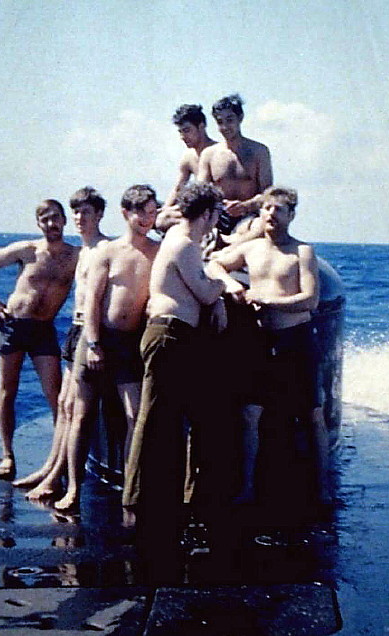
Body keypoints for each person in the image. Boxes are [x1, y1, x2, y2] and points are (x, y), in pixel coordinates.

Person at [206, 186, 330, 504]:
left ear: (291, 215)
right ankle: (247, 487)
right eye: (266, 209)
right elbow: (214, 264)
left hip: (297, 342)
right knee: (251, 413)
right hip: (262, 342)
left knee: (312, 414)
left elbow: (310, 300)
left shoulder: (303, 252)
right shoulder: (251, 249)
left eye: (279, 210)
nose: (271, 214)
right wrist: (232, 284)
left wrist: (268, 300)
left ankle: (322, 489)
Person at [122, 182, 227, 547]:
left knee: (171, 422)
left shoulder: (183, 244)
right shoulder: (183, 244)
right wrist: (222, 288)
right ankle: (134, 501)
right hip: (168, 336)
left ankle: (169, 498)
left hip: (180, 337)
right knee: (152, 420)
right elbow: (206, 291)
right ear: (209, 214)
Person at [50, 184, 160, 512]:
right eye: (140, 212)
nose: (146, 219)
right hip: (98, 340)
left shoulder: (157, 251)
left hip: (131, 344)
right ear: (126, 213)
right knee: (81, 416)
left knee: (135, 415)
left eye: (152, 213)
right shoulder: (106, 252)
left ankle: (131, 484)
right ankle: (73, 489)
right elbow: (93, 302)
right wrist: (95, 344)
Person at [13, 187, 110, 497]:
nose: (80, 218)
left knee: (76, 409)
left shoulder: (104, 249)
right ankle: (51, 467)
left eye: (87, 213)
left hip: (91, 332)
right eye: (77, 213)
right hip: (74, 329)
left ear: (99, 215)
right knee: (64, 404)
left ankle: (59, 479)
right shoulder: (81, 251)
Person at [0, 200, 79, 479]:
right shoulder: (28, 250)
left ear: (64, 220)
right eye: (45, 219)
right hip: (12, 325)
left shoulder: (75, 256)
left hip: (43, 331)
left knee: (56, 396)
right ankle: (7, 455)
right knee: (7, 391)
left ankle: (61, 456)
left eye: (56, 218)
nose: (51, 224)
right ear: (38, 223)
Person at [198, 93, 273, 246]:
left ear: (240, 118)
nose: (225, 127)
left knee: (260, 225)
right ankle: (218, 240)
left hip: (248, 218)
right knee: (167, 219)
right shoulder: (209, 154)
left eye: (229, 120)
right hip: (216, 217)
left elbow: (268, 194)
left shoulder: (259, 151)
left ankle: (225, 242)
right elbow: (200, 193)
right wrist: (217, 209)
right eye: (220, 122)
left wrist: (246, 206)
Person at [155, 104, 216, 233]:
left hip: (214, 210)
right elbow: (178, 188)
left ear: (201, 127)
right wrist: (165, 208)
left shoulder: (218, 151)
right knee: (156, 216)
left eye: (187, 130)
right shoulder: (188, 157)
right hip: (197, 207)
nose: (183, 136)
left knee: (163, 220)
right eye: (180, 131)